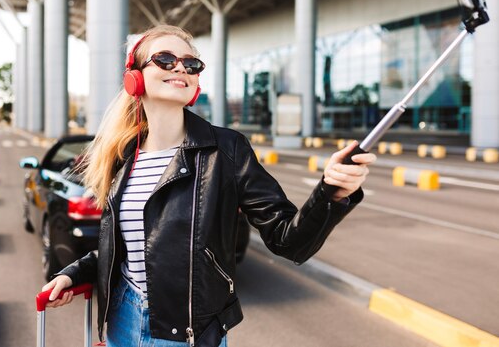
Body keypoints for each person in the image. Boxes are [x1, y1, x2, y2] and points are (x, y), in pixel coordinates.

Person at [41, 25, 376, 347]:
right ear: (135, 77)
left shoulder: (227, 150)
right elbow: (131, 249)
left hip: (185, 335)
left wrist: (332, 192)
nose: (181, 68)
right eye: (165, 59)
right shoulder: (123, 156)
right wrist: (74, 272)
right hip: (121, 323)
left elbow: (289, 241)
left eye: (192, 64)